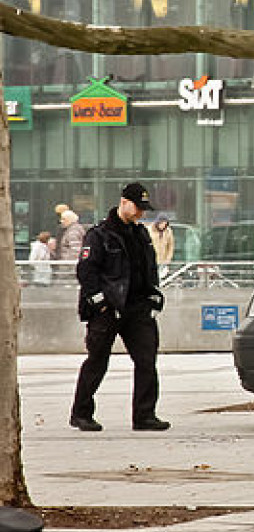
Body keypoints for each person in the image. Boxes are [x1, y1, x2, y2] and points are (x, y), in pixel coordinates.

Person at [69, 183, 169, 432]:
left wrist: (154, 294)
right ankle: (81, 413)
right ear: (124, 202)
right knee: (97, 361)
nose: (141, 214)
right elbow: (86, 270)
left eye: (144, 210)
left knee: (147, 360)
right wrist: (100, 302)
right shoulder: (100, 234)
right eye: (138, 208)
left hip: (137, 308)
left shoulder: (141, 234)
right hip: (108, 308)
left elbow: (149, 268)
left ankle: (144, 415)